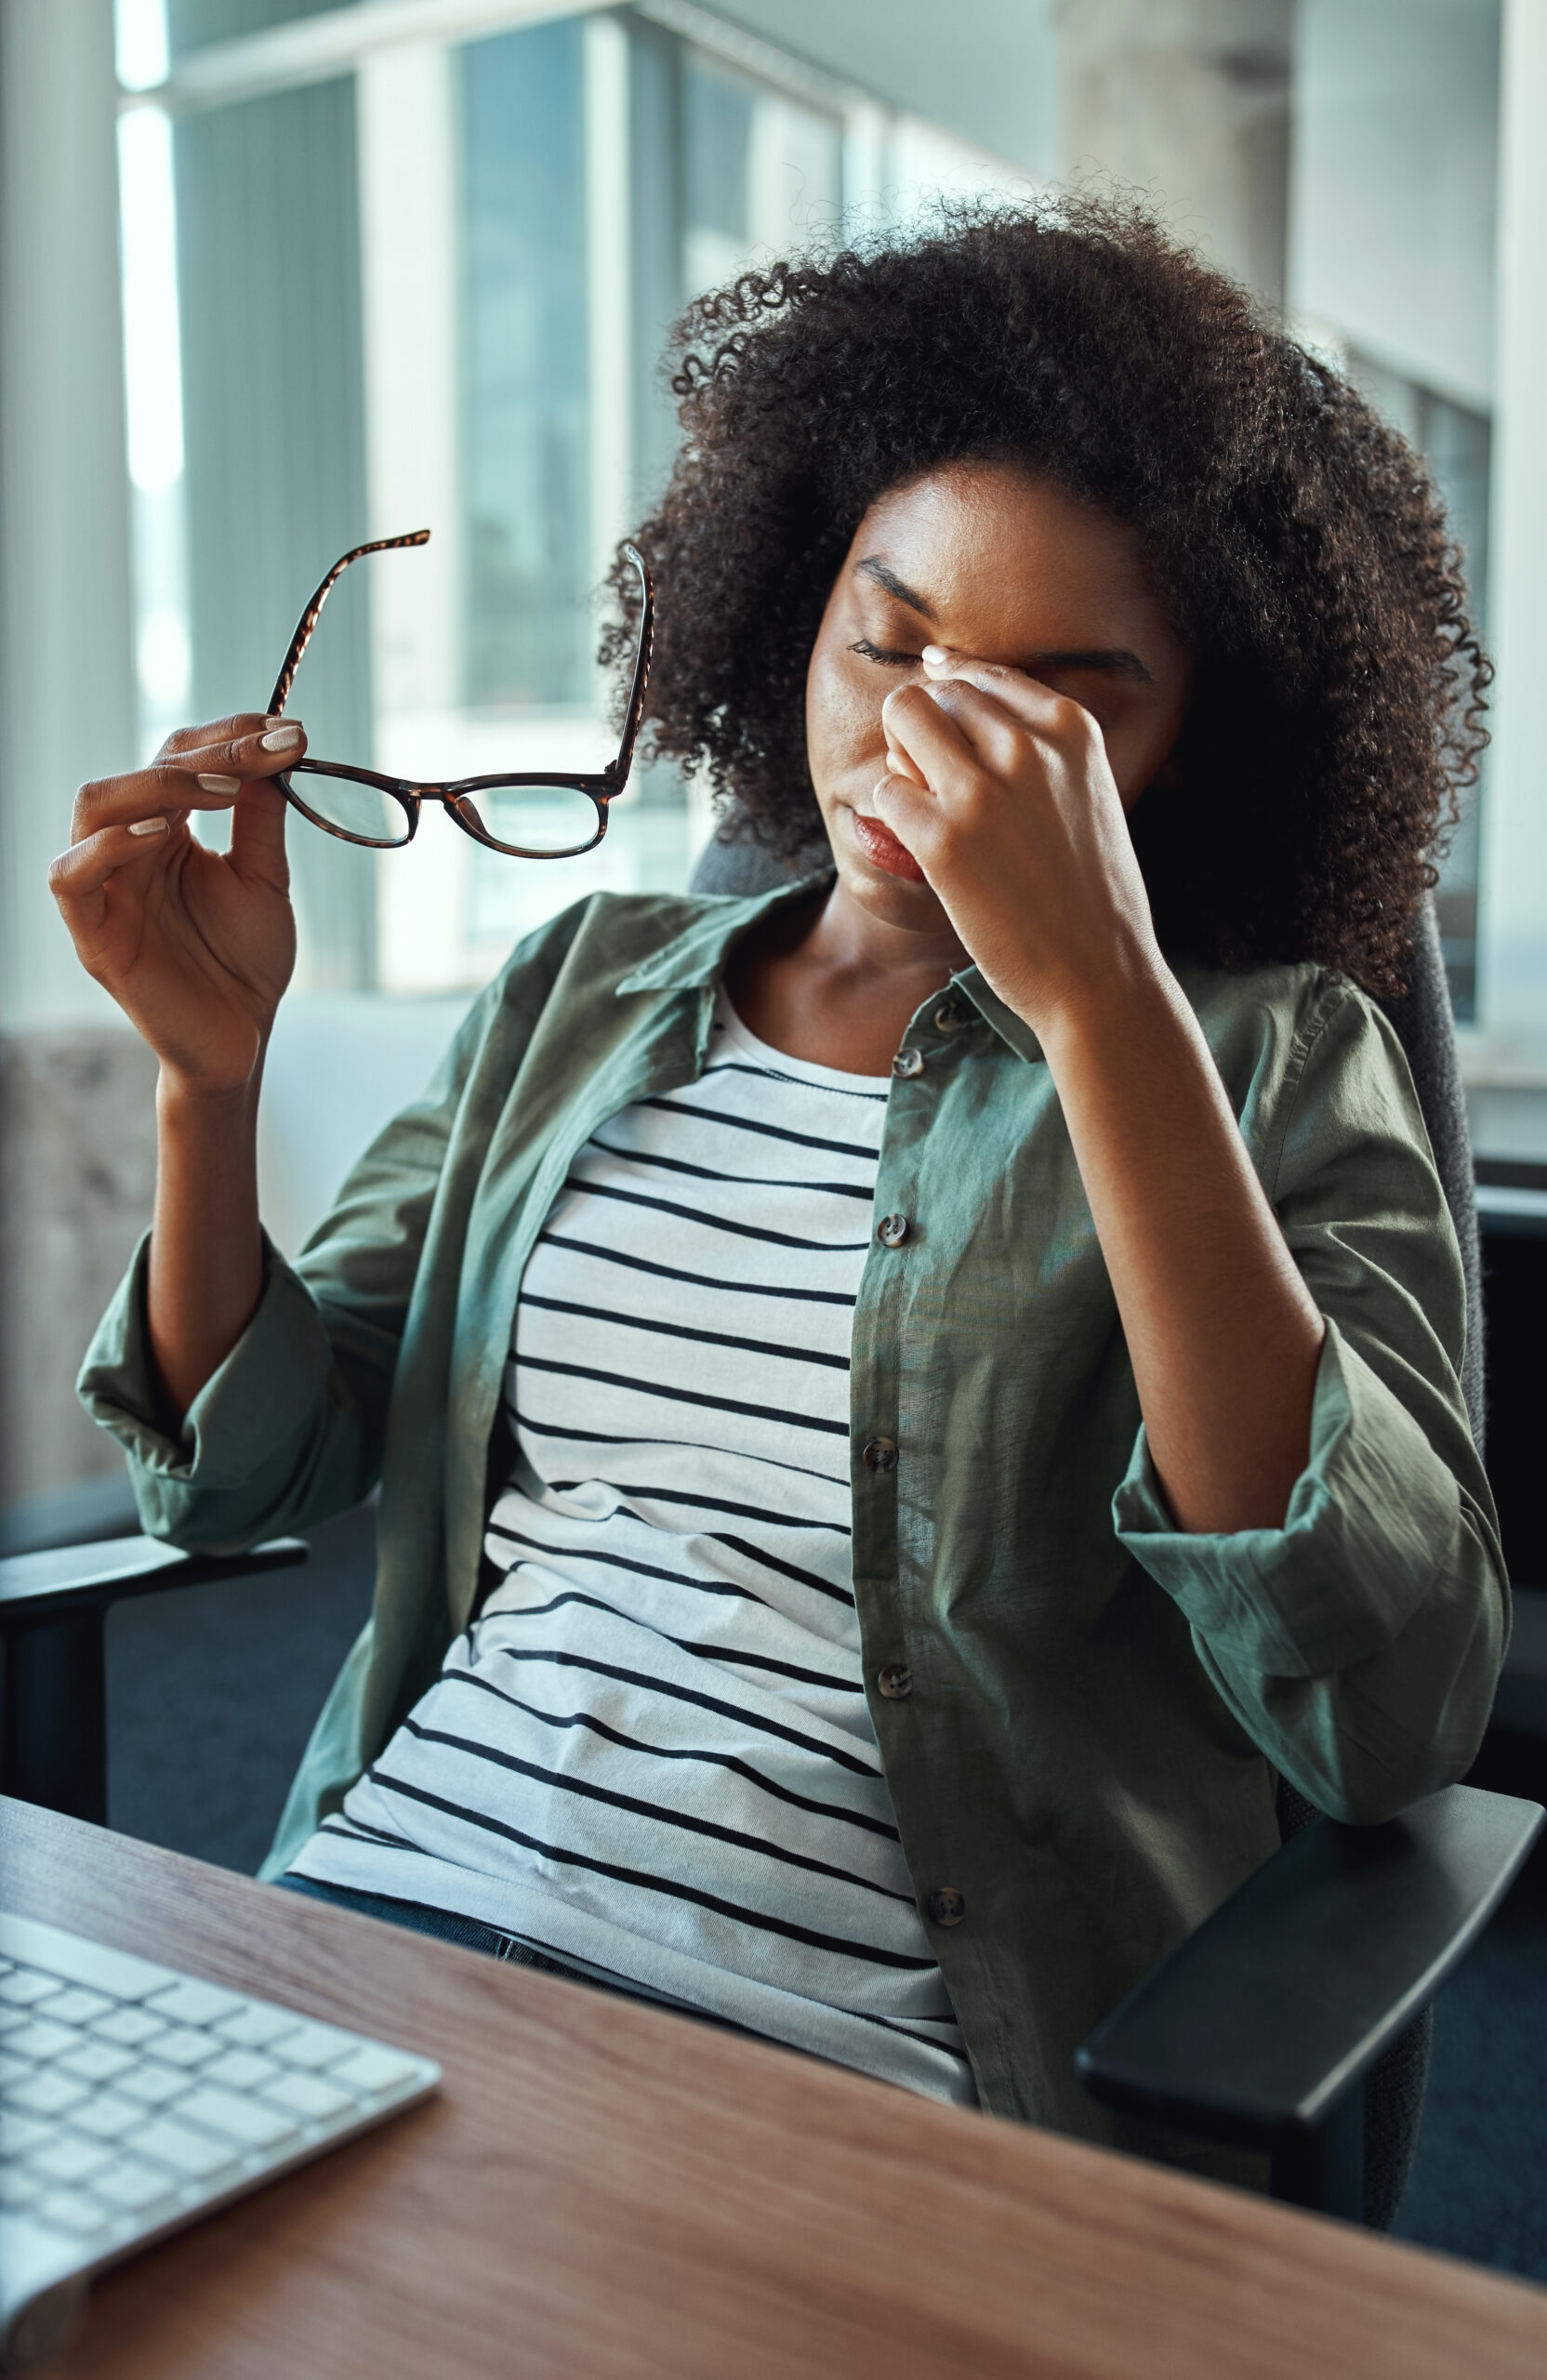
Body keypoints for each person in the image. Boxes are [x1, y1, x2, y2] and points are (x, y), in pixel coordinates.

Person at [57, 201, 1504, 2173]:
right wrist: (203, 1086)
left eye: (1052, 700)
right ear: (783, 615)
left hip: (843, 2071)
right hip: (370, 1925)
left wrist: (1099, 1003)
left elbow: (1387, 1698)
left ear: (1194, 737)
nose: (920, 742)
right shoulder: (581, 988)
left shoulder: (1266, 1059)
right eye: (886, 641)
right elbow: (243, 1472)